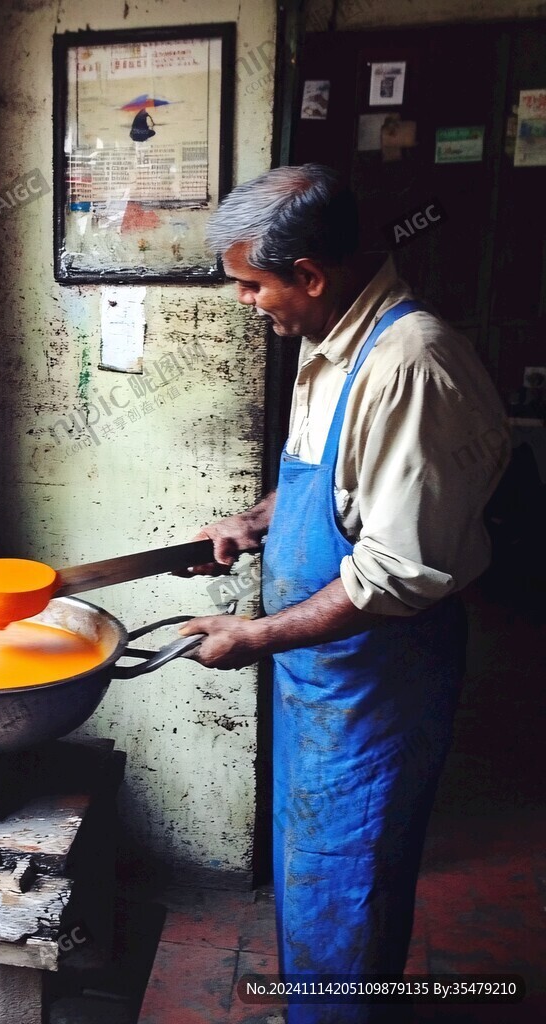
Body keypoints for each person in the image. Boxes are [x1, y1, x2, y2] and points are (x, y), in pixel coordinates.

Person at [178, 164, 509, 1022]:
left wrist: (250, 638)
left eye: (254, 286)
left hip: (379, 681)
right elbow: (329, 483)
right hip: (320, 677)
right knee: (308, 871)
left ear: (311, 275)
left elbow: (397, 569)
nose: (249, 303)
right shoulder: (330, 344)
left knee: (349, 879)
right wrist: (254, 520)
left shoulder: (413, 365)